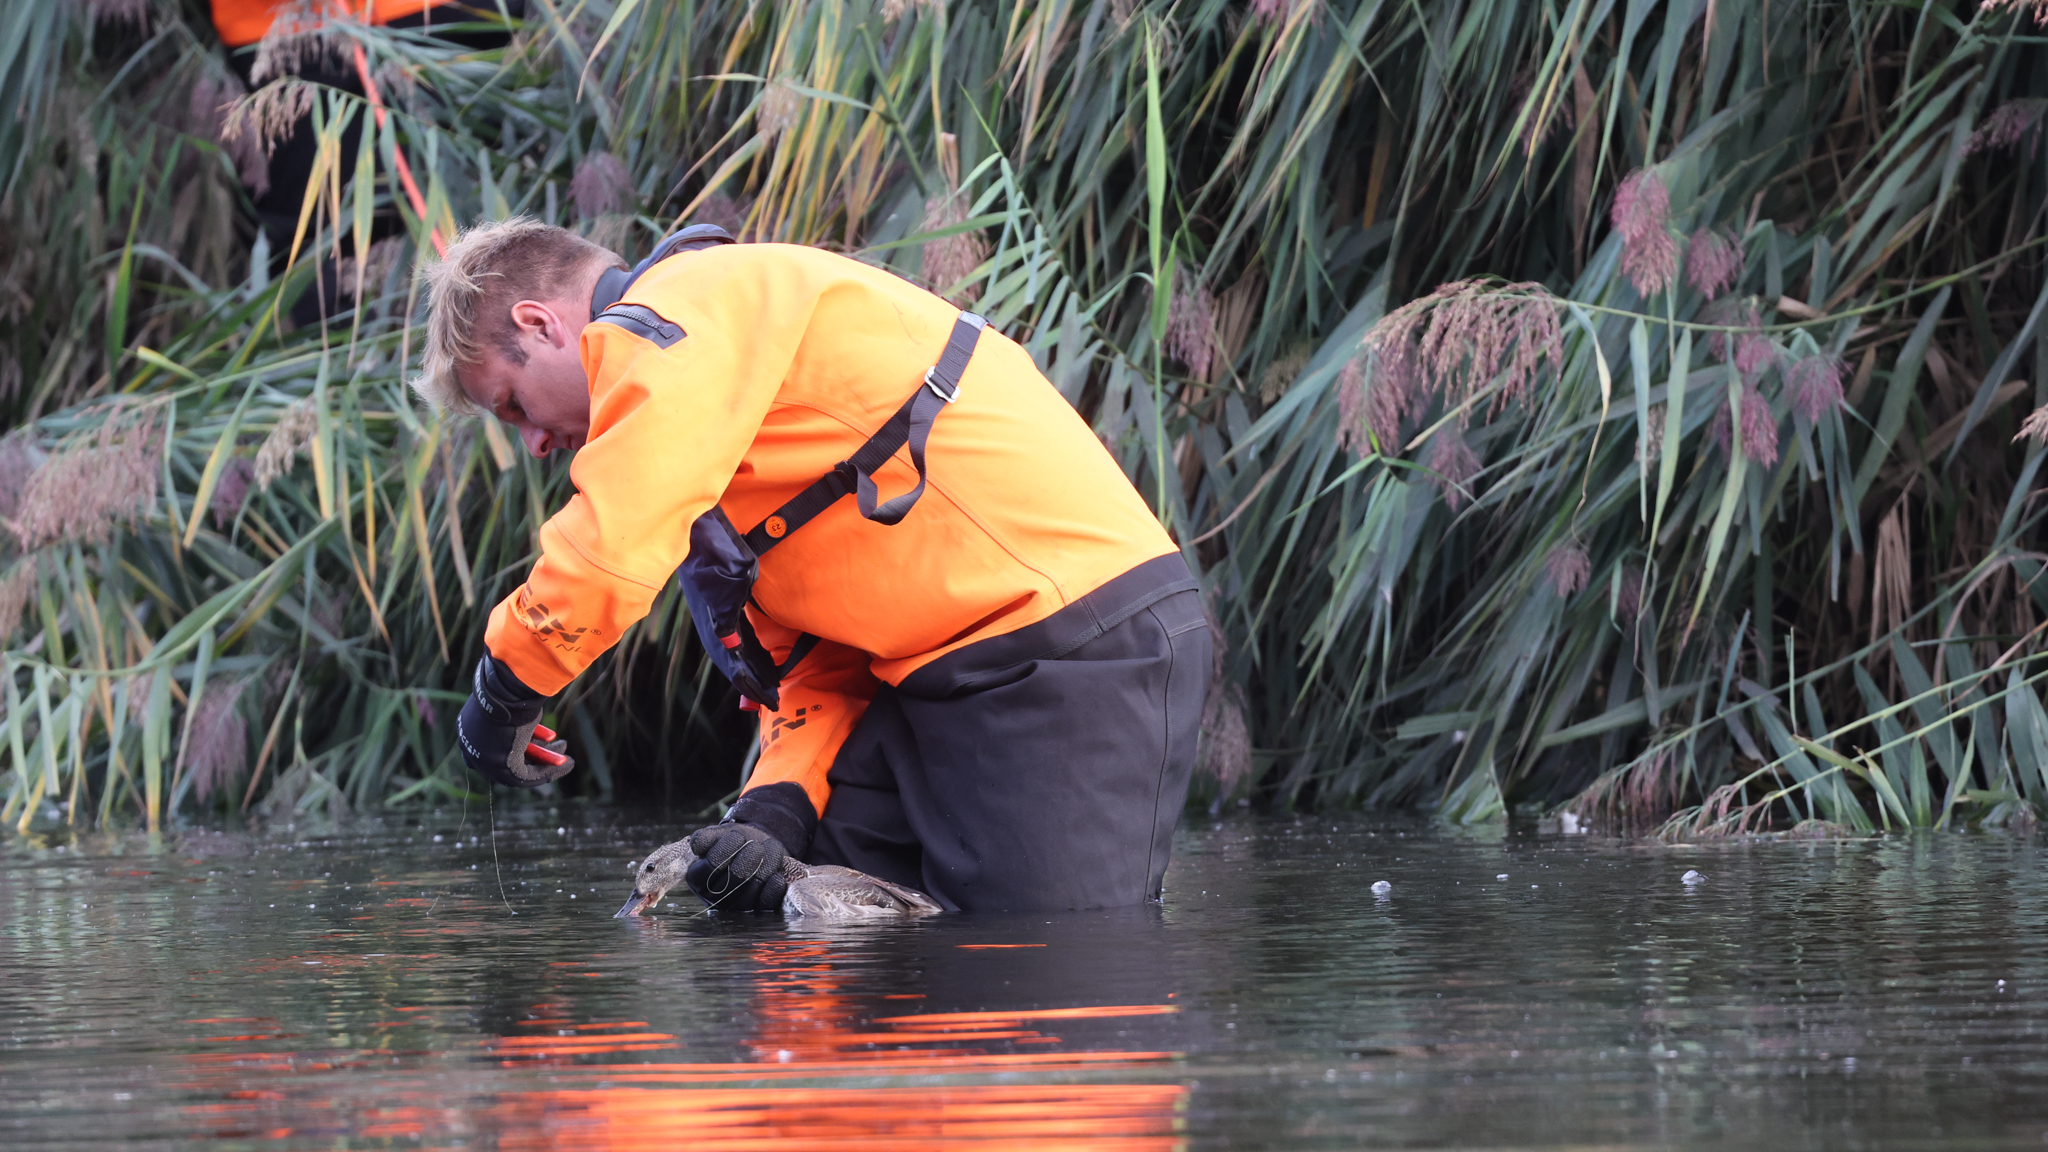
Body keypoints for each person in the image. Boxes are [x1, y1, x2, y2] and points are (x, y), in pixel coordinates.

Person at [410, 218, 1207, 913]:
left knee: (1038, 987)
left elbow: (613, 542)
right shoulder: (717, 406)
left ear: (541, 323)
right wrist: (772, 813)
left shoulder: (675, 313)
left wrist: (504, 688)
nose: (536, 444)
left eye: (512, 404)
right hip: (949, 673)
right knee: (781, 903)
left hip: (1069, 649)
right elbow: (814, 666)